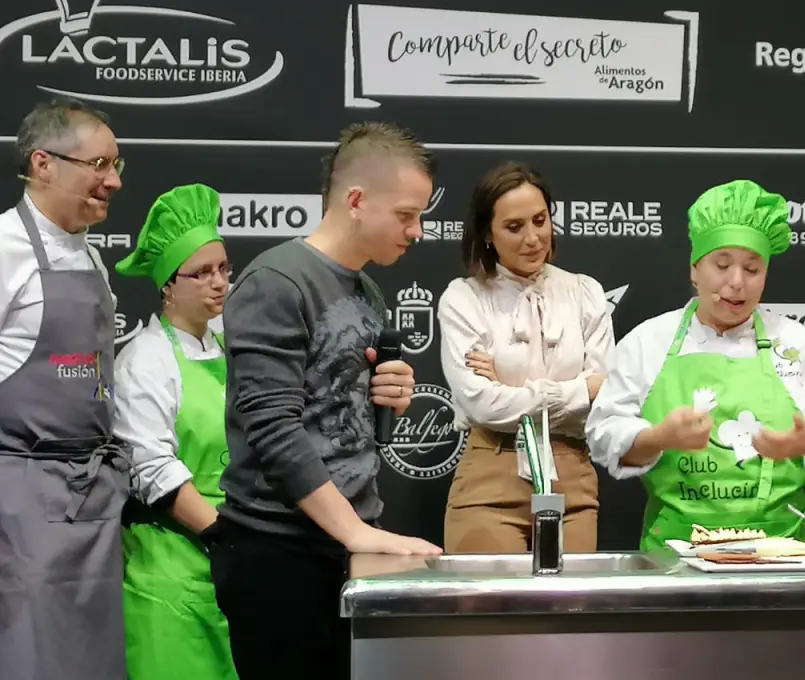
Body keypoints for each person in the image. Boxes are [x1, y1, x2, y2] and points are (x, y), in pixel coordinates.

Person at [207, 122, 441, 680]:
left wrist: (386, 392)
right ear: (356, 201)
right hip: (277, 552)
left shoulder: (367, 291)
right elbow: (274, 430)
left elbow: (334, 403)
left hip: (345, 543)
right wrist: (356, 533)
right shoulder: (276, 281)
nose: (417, 231)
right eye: (406, 215)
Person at [584, 179, 805, 550]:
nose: (737, 283)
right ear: (694, 269)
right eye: (722, 265)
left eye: (752, 270)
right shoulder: (648, 342)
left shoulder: (798, 344)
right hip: (675, 553)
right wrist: (659, 437)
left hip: (782, 553)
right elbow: (603, 430)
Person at [0, 98, 128, 680]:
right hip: (21, 507)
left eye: (117, 164)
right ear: (42, 163)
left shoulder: (93, 260)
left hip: (92, 502)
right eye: (99, 164)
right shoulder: (5, 249)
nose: (114, 180)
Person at [438, 161, 614, 553]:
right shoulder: (464, 299)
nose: (533, 238)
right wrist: (579, 389)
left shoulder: (585, 293)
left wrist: (508, 385)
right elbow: (482, 405)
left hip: (572, 476)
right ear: (487, 233)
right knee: (491, 598)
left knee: (572, 596)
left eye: (540, 220)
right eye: (514, 227)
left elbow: (605, 399)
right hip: (490, 476)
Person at [112, 183, 236, 679]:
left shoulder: (231, 347)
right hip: (169, 569)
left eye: (223, 268)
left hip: (231, 572)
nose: (218, 283)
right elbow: (151, 466)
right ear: (168, 284)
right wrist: (224, 536)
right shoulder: (145, 359)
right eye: (201, 273)